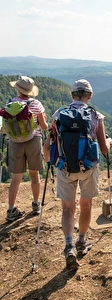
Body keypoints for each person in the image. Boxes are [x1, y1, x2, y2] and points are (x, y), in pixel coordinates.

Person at [44, 79, 112, 270]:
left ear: (72, 95)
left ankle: (68, 246)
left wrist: (50, 161)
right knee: (86, 204)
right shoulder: (95, 116)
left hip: (64, 167)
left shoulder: (59, 114)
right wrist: (110, 142)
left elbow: (49, 144)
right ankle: (82, 241)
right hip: (88, 167)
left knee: (67, 209)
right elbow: (104, 149)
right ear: (89, 96)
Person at [5, 76, 48, 222]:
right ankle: (36, 205)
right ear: (30, 91)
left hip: (15, 142)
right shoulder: (36, 104)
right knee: (34, 175)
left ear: (17, 89)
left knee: (16, 178)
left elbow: (4, 127)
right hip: (33, 140)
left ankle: (11, 209)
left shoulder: (9, 103)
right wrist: (45, 120)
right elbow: (43, 127)